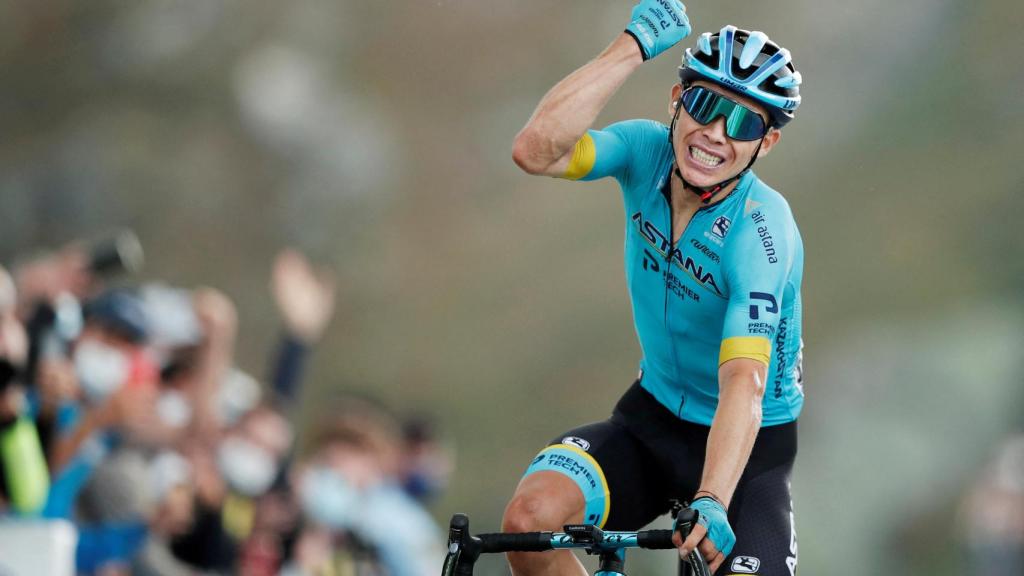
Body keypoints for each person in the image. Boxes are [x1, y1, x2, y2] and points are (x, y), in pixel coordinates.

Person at [505, 1, 804, 574]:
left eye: (743, 123)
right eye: (704, 104)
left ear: (765, 144)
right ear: (677, 101)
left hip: (745, 451)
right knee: (527, 522)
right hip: (651, 419)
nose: (714, 135)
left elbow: (745, 377)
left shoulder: (763, 230)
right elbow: (534, 150)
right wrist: (630, 46)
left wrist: (713, 497)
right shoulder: (645, 151)